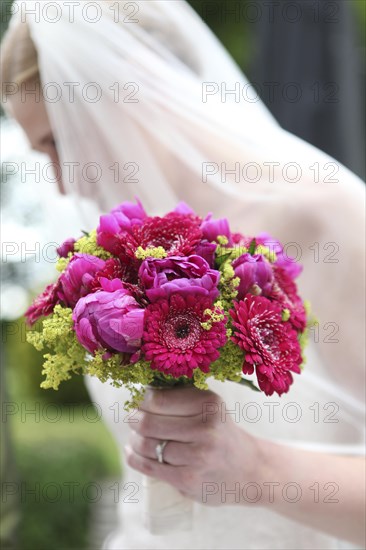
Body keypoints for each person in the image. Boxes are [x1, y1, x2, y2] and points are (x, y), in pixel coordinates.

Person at [1, 1, 365, 549]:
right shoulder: (110, 256)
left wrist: (258, 469)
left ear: (135, 91)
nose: (61, 185)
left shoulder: (322, 215)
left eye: (58, 141)